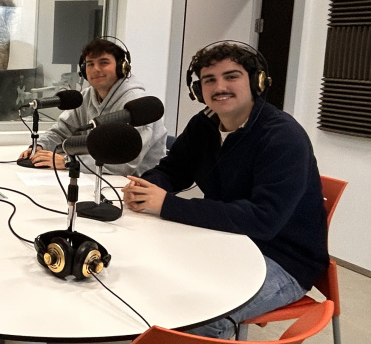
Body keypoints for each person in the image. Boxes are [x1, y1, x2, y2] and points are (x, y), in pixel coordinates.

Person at [122, 42, 328, 339]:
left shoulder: (283, 137)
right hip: (224, 240)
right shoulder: (203, 125)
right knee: (142, 281)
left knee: (197, 319)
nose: (220, 87)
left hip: (283, 260)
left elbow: (263, 220)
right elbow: (173, 169)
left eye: (231, 76)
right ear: (198, 89)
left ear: (257, 81)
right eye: (209, 80)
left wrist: (167, 204)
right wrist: (149, 186)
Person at [18, 38, 167, 175]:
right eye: (90, 64)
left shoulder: (136, 105)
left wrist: (67, 162)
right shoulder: (87, 96)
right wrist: (41, 146)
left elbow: (126, 163)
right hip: (98, 176)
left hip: (138, 185)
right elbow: (62, 131)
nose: (96, 69)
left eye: (104, 62)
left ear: (122, 67)